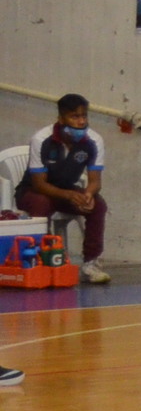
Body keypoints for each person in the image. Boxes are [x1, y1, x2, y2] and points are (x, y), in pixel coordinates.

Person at [17, 94, 109, 284]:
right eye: (74, 117)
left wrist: (89, 194)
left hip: (67, 190)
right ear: (61, 119)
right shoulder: (41, 139)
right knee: (41, 203)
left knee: (98, 205)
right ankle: (41, 260)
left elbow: (95, 180)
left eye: (84, 116)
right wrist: (69, 195)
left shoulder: (94, 140)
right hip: (33, 191)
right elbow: (38, 183)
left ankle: (91, 263)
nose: (81, 121)